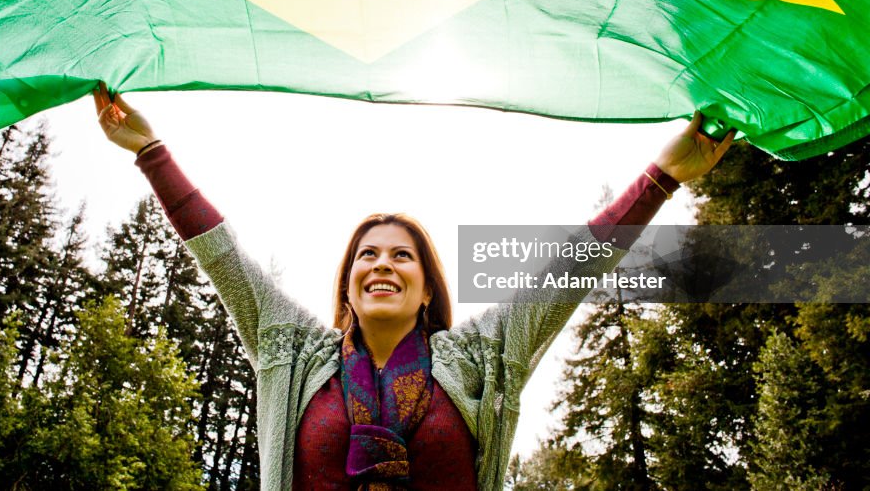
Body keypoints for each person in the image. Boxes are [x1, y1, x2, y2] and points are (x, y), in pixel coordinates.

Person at [93, 83, 734, 490]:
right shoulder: (291, 350)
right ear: (347, 286)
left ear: (427, 288)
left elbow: (571, 267)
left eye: (403, 256)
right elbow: (224, 255)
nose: (382, 265)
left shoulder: (482, 356)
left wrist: (662, 177)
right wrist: (148, 149)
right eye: (367, 255)